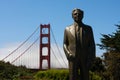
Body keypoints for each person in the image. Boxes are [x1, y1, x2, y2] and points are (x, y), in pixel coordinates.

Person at [63, 8, 96, 80]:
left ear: (83, 16)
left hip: (85, 58)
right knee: (72, 77)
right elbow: (65, 44)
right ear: (72, 16)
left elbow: (92, 44)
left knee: (85, 77)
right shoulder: (67, 29)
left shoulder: (88, 28)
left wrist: (91, 58)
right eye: (75, 14)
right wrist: (68, 54)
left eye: (79, 14)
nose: (77, 15)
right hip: (72, 58)